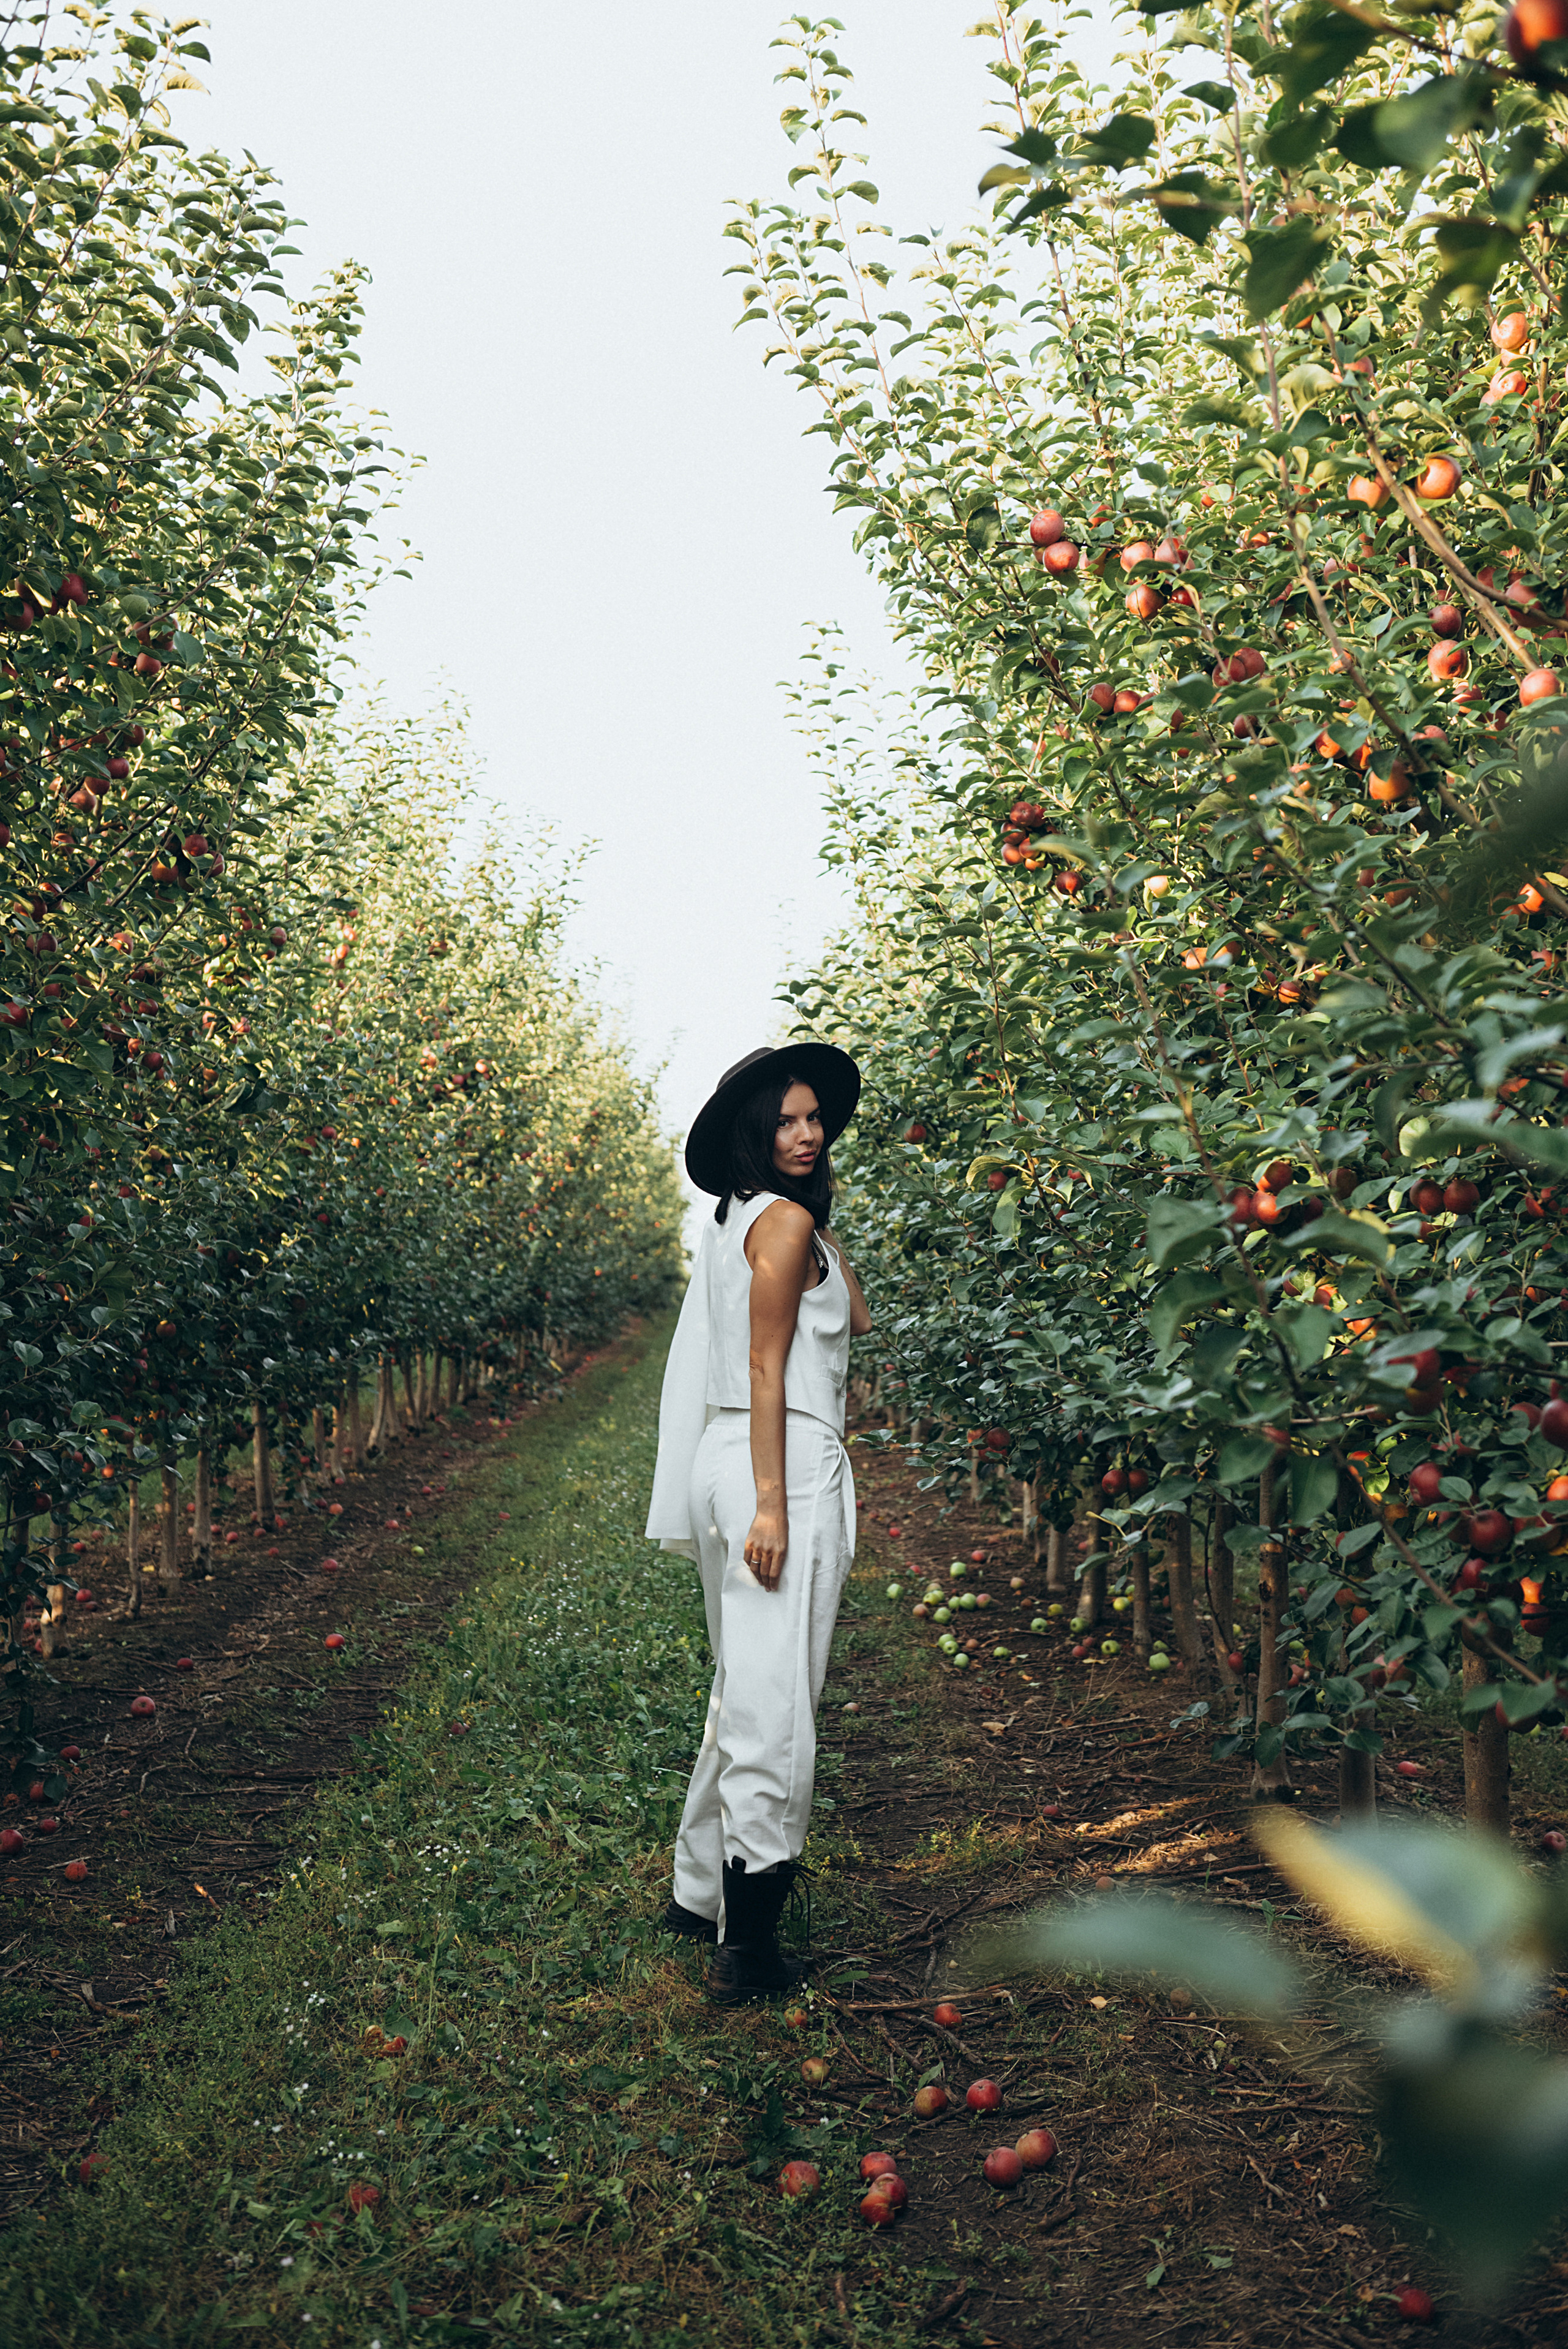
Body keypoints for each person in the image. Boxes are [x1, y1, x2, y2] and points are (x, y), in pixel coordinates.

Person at [645, 1043, 872, 2003]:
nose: (807, 1134)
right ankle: (750, 1953)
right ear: (753, 1132)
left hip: (727, 1455)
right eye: (785, 1121)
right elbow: (768, 1369)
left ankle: (699, 1895)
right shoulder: (781, 1226)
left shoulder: (754, 1220)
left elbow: (853, 1317)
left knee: (743, 1682)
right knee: (774, 1703)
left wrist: (819, 1216)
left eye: (814, 1118)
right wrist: (774, 1502)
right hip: (778, 1458)